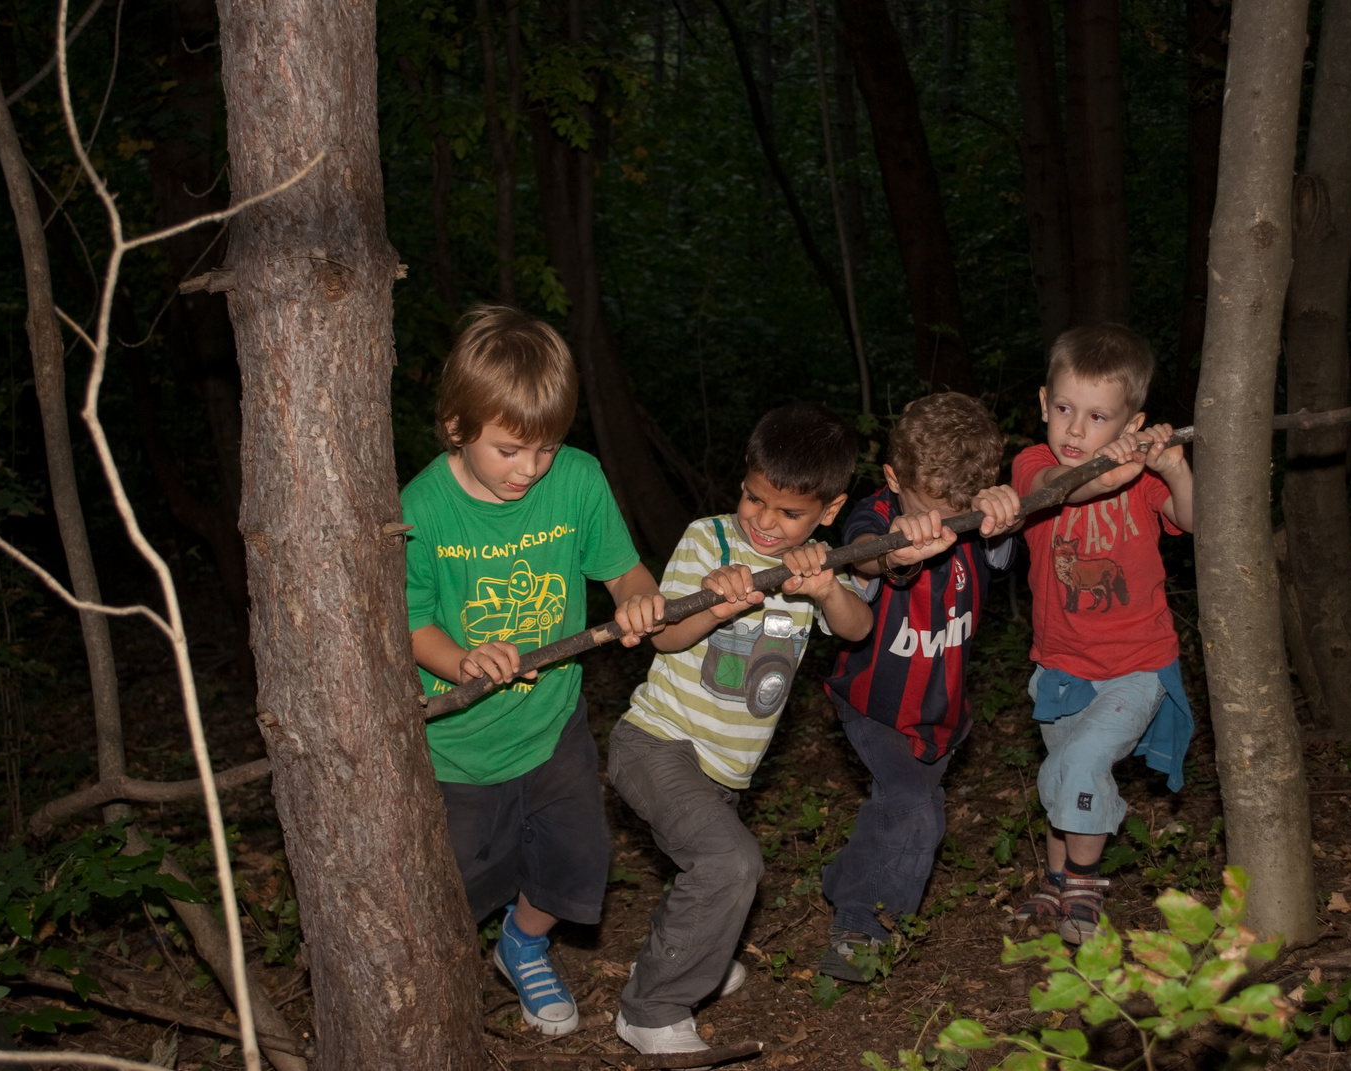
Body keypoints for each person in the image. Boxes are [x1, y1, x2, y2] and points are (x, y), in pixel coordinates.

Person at [401, 307, 667, 1036]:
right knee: (459, 884)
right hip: (459, 747)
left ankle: (524, 942)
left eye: (545, 448)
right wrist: (462, 661)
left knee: (579, 856)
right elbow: (410, 622)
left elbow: (624, 573)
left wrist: (639, 600)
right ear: (457, 426)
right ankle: (449, 981)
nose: (530, 469)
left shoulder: (576, 482)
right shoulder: (421, 508)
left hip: (554, 724)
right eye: (510, 450)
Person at [608, 402, 874, 1055]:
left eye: (789, 512)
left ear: (829, 510)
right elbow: (665, 634)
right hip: (657, 741)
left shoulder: (816, 563)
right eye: (755, 498)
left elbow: (858, 628)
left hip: (724, 768)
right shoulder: (709, 540)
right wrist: (714, 600)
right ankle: (652, 1007)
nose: (764, 520)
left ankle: (698, 957)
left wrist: (824, 587)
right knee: (731, 861)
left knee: (715, 872)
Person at [816, 393, 1022, 982]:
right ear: (892, 479)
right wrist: (896, 552)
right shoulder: (873, 515)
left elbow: (1002, 555)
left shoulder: (973, 511)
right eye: (932, 505)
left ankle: (843, 878)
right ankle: (860, 927)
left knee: (901, 809)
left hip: (943, 709)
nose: (946, 519)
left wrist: (1004, 513)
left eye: (958, 507)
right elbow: (863, 561)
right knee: (915, 810)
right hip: (875, 703)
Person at [1009, 323, 1196, 944]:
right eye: (1063, 409)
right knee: (1060, 774)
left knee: (1087, 761)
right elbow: (1070, 487)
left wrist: (1171, 466)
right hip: (1061, 668)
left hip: (1137, 665)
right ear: (1043, 403)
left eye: (1097, 417)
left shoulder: (1144, 478)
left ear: (1130, 421)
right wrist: (1125, 459)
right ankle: (1058, 881)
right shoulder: (1033, 467)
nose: (1075, 430)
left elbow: (1196, 521)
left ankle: (1084, 885)